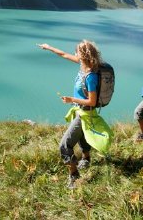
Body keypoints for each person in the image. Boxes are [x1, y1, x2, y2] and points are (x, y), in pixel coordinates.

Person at [38, 40, 104, 189]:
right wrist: (49, 47)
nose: (74, 53)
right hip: (79, 110)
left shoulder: (90, 76)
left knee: (65, 145)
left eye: (77, 51)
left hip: (85, 113)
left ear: (84, 55)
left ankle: (74, 176)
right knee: (82, 136)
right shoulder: (83, 66)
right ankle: (86, 159)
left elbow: (92, 101)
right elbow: (63, 54)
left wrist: (71, 99)